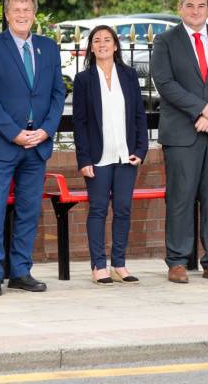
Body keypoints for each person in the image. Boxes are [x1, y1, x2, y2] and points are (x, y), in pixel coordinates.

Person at [0, 0, 66, 296]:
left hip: (37, 143)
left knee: (29, 210)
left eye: (27, 10)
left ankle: (21, 271)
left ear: (34, 14)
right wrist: (13, 132)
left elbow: (58, 93)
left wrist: (46, 130)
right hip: (3, 144)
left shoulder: (48, 48)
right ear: (6, 13)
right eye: (16, 10)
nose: (22, 15)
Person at [150, 0, 208, 284]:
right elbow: (165, 83)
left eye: (201, 6)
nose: (195, 11)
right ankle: (176, 261)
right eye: (190, 6)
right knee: (180, 198)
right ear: (180, 9)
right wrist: (202, 110)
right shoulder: (165, 41)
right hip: (181, 134)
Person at [72, 25, 149, 285]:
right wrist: (83, 159)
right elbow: (79, 123)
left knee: (124, 209)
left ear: (116, 46)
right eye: (97, 40)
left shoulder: (128, 75)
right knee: (98, 209)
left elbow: (139, 114)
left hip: (126, 155)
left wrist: (141, 149)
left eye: (107, 40)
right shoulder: (83, 80)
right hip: (98, 157)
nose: (102, 44)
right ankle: (98, 265)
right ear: (91, 48)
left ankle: (119, 264)